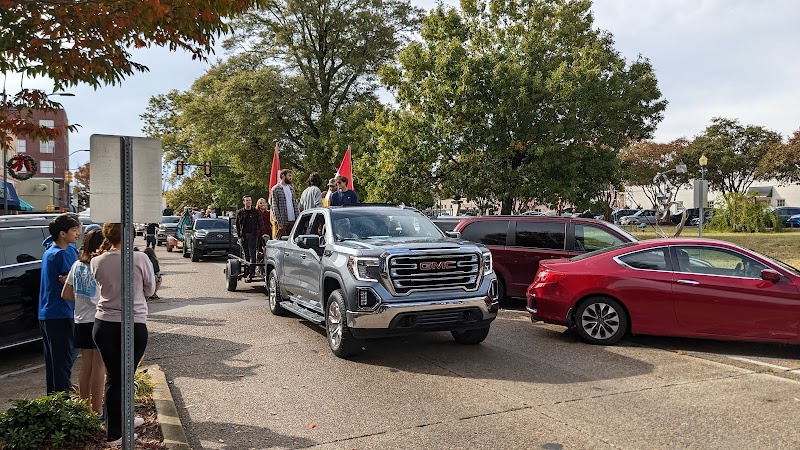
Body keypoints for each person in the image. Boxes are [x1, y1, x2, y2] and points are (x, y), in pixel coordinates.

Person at [91, 223, 155, 445]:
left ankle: (118, 422)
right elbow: (151, 289)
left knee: (114, 376)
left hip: (103, 323)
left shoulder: (96, 261)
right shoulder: (139, 259)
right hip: (133, 322)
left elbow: (100, 286)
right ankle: (116, 434)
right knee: (124, 377)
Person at [61, 229, 105, 414]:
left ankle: (84, 409)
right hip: (99, 319)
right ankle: (98, 411)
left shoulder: (77, 265)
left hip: (80, 320)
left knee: (86, 366)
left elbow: (66, 293)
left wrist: (82, 302)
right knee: (99, 368)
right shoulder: (99, 265)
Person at [39, 213, 82, 395]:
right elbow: (73, 282)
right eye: (74, 230)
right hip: (61, 313)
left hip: (48, 313)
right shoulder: (61, 254)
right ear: (63, 234)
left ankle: (54, 403)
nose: (78, 233)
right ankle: (62, 405)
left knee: (54, 362)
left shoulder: (53, 249)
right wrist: (71, 279)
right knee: (62, 363)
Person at [270, 169, 301, 240]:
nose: (290, 178)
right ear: (283, 176)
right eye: (289, 176)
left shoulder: (291, 189)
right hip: (282, 221)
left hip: (293, 220)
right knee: (280, 241)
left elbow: (295, 204)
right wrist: (278, 221)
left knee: (291, 240)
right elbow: (274, 206)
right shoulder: (276, 189)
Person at [236, 195, 261, 281]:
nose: (248, 202)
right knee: (246, 255)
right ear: (244, 202)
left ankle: (252, 272)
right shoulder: (240, 212)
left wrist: (261, 234)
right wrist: (239, 237)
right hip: (244, 237)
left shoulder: (256, 212)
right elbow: (238, 226)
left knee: (253, 255)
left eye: (249, 200)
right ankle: (246, 272)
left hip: (253, 236)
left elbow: (260, 224)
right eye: (246, 201)